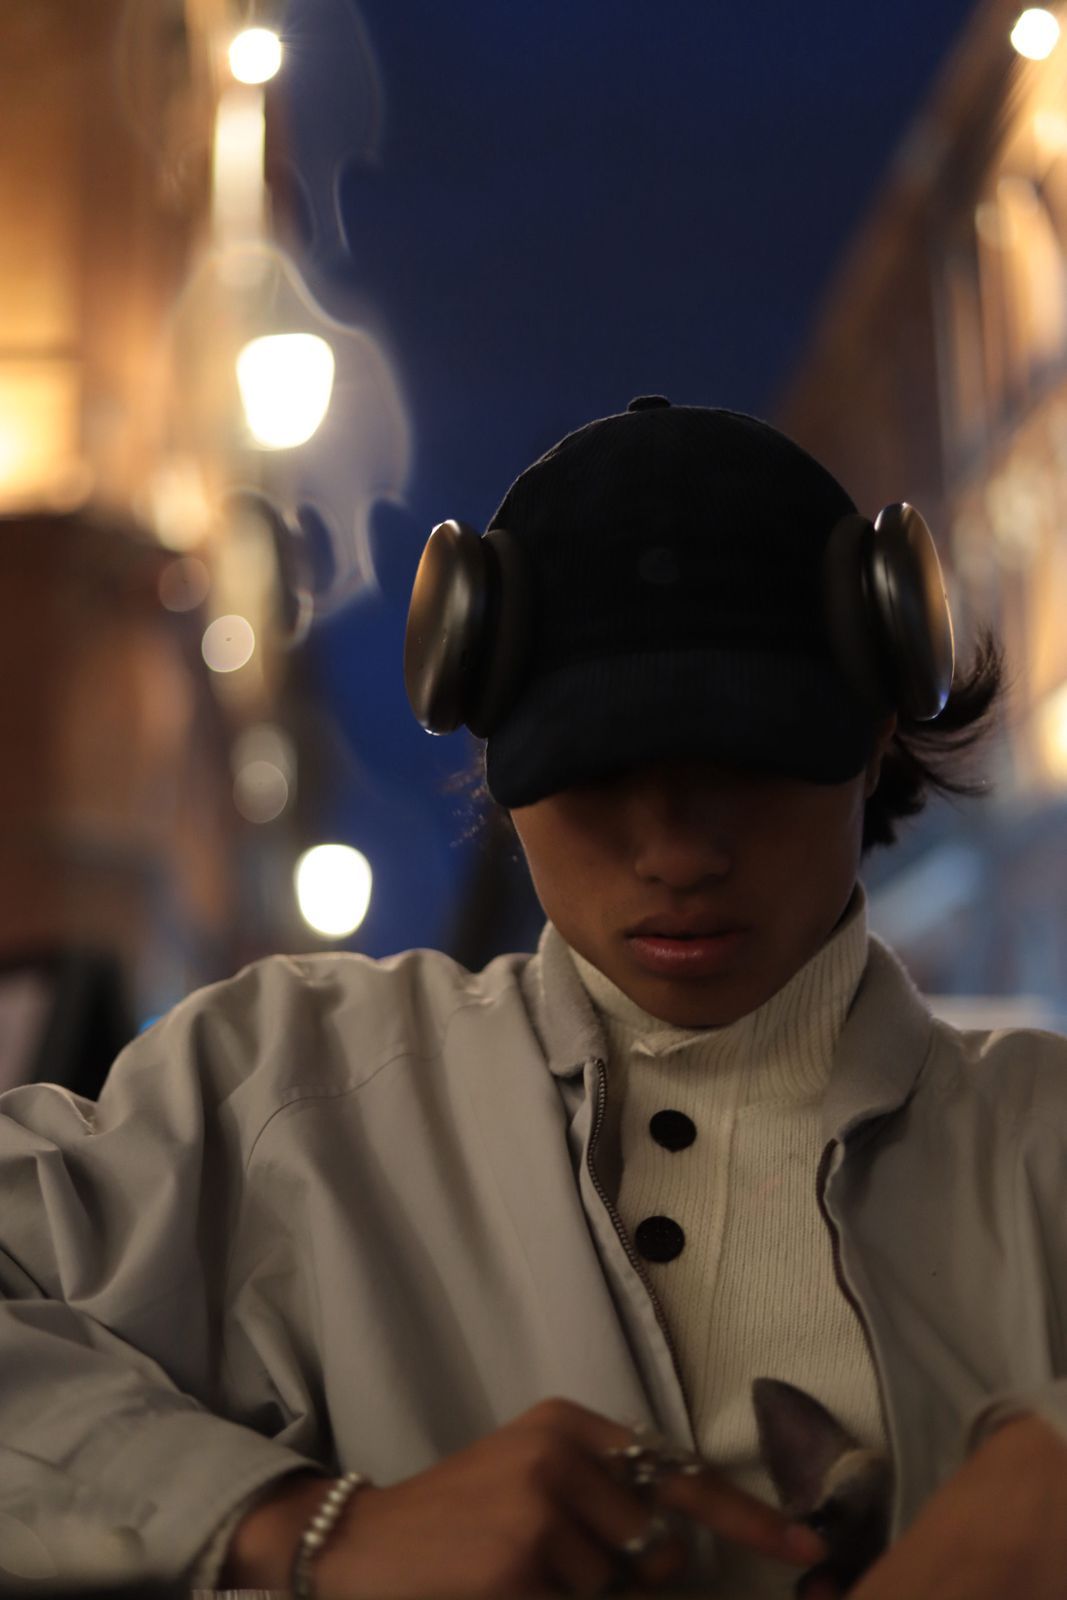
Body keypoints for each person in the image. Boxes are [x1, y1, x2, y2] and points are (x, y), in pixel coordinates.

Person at [2, 397, 1066, 1600]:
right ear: (499, 761)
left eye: (744, 761)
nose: (674, 849)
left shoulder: (1042, 1144)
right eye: (598, 769)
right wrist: (299, 1524)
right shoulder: (286, 1097)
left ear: (875, 733)